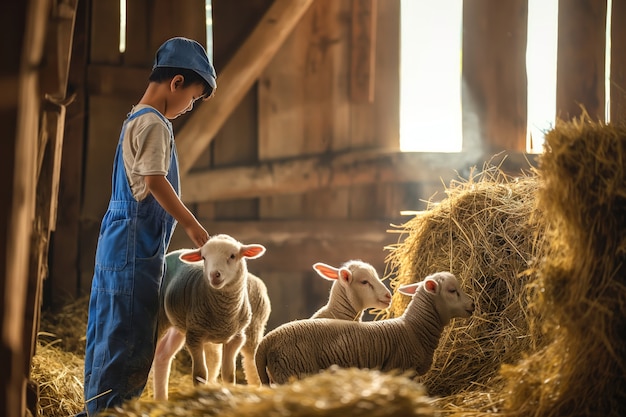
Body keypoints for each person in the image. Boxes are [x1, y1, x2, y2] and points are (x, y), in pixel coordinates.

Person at [78, 37, 216, 416]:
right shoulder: (154, 124)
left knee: (107, 328)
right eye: (191, 98)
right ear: (176, 83)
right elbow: (155, 181)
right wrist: (191, 224)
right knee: (130, 335)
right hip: (135, 250)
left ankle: (96, 408)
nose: (188, 107)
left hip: (118, 242)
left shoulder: (134, 118)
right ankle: (113, 411)